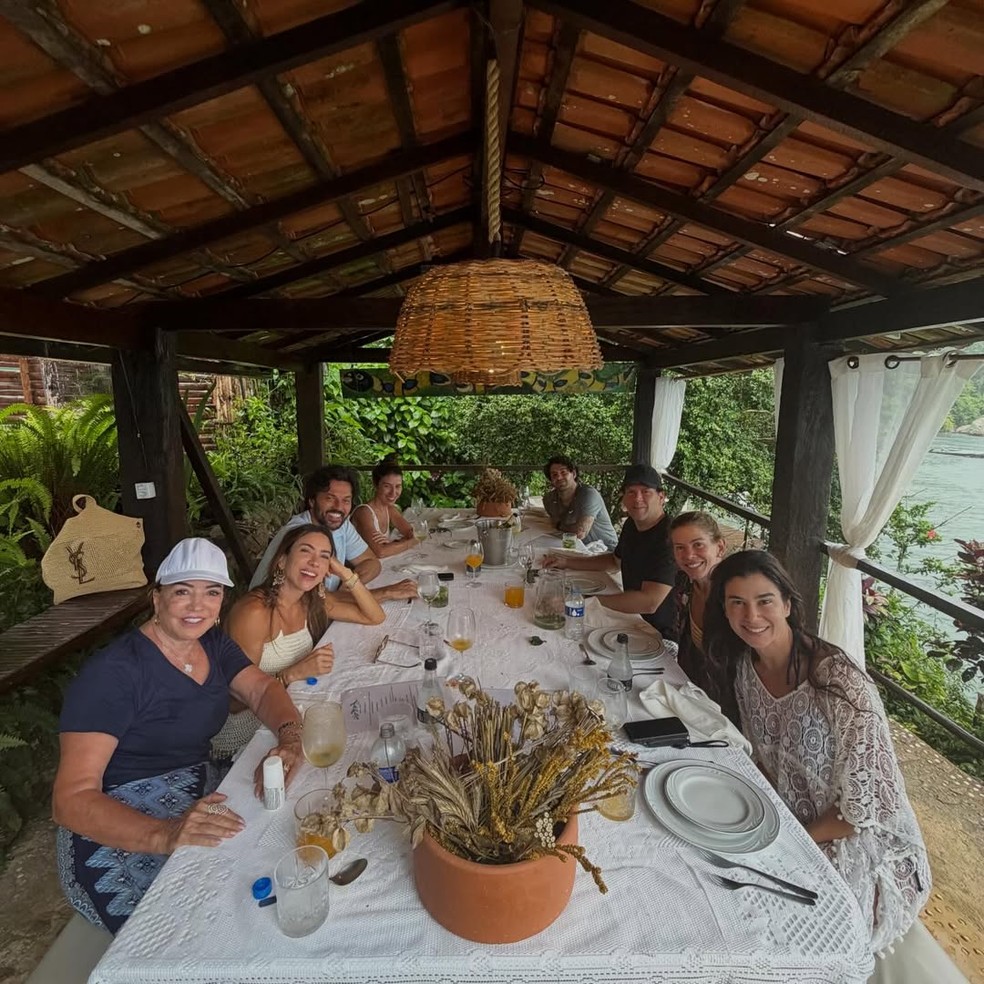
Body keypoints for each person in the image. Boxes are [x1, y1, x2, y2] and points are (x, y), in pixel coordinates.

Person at [53, 538, 305, 933]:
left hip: (196, 781)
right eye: (182, 592)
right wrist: (165, 834)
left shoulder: (213, 642)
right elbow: (71, 800)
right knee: (189, 926)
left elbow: (261, 690)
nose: (197, 606)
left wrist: (290, 738)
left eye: (211, 592)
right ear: (156, 599)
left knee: (276, 860)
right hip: (120, 814)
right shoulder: (114, 674)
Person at [703, 550, 932, 969]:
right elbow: (764, 762)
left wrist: (788, 845)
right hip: (790, 819)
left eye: (764, 601)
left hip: (858, 842)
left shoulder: (840, 686)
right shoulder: (742, 666)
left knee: (773, 932)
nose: (751, 616)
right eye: (737, 602)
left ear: (788, 605)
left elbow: (862, 812)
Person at [210, 524, 385, 761]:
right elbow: (232, 702)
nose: (315, 562)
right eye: (306, 551)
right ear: (282, 560)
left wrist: (344, 573)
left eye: (324, 557)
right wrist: (291, 673)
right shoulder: (254, 613)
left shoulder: (311, 600)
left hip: (291, 709)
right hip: (247, 732)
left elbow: (374, 617)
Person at [544, 464, 677, 639]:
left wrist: (585, 602)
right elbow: (614, 562)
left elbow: (649, 602)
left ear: (661, 497)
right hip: (628, 616)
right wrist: (566, 562)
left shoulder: (670, 537)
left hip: (655, 632)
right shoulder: (632, 524)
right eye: (631, 492)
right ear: (624, 498)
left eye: (646, 492)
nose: (637, 499)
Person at [252, 464, 416, 602]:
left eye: (346, 500)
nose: (338, 507)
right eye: (330, 498)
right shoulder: (299, 534)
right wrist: (386, 593)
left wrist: (349, 583)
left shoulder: (341, 526)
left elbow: (372, 562)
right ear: (312, 500)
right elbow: (315, 602)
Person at [668, 511, 737, 722]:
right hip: (692, 693)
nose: (688, 555)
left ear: (720, 547)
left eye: (698, 545)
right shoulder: (684, 583)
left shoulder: (735, 596)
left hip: (729, 709)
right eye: (680, 548)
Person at [541, 455, 618, 550]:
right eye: (554, 474)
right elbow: (554, 523)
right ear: (551, 479)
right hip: (576, 548)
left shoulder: (588, 494)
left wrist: (559, 525)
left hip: (606, 550)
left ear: (573, 474)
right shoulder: (549, 499)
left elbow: (580, 532)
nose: (559, 477)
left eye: (563, 472)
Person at [351, 460, 418, 558]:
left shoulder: (389, 509)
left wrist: (393, 544)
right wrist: (408, 542)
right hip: (358, 569)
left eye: (398, 486)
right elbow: (381, 552)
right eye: (387, 486)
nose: (393, 492)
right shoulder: (364, 513)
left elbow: (411, 533)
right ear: (375, 485)